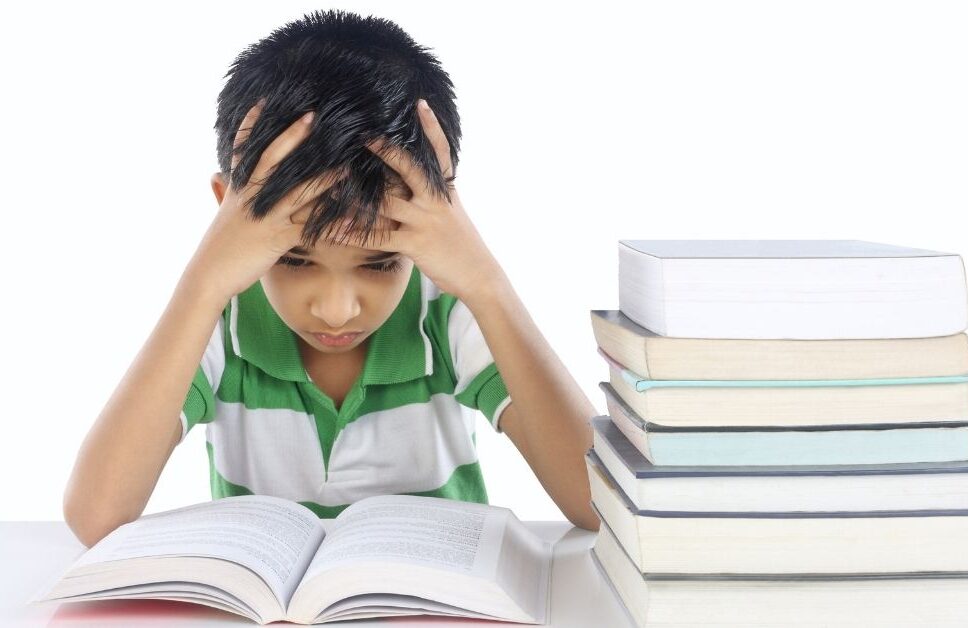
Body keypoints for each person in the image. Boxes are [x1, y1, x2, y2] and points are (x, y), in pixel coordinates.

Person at [63, 9, 600, 548]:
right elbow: (99, 519)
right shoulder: (219, 317)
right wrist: (203, 282)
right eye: (295, 260)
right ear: (227, 213)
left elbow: (598, 505)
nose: (338, 310)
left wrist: (488, 285)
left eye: (381, 263)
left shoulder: (448, 311)